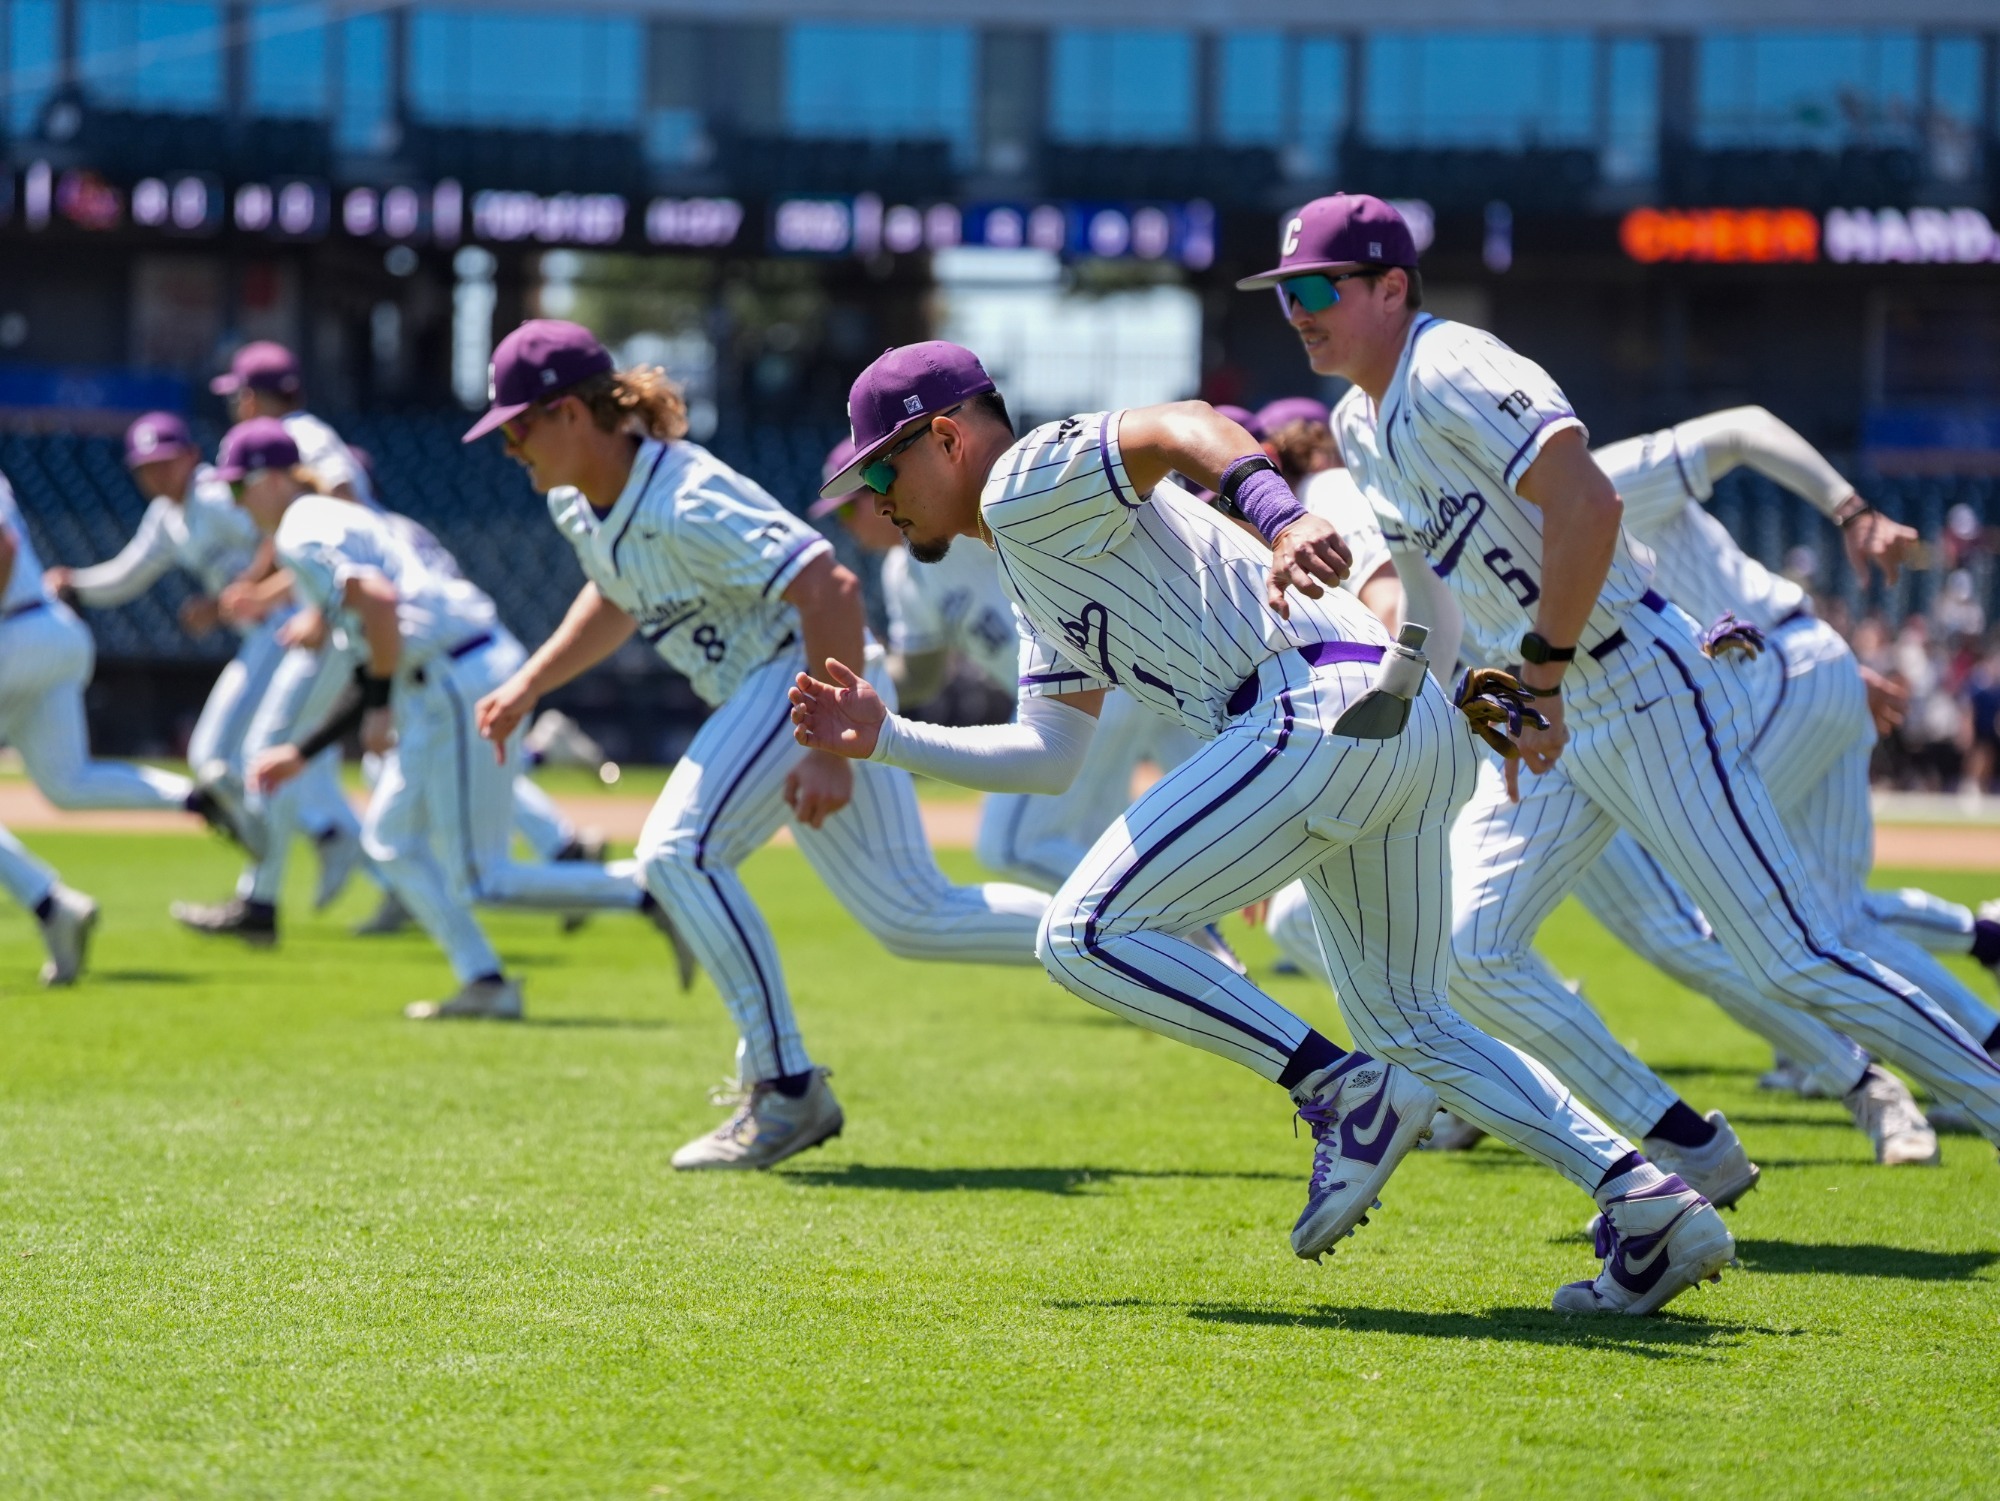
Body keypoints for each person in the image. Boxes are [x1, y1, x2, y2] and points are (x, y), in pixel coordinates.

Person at [793, 338, 1737, 1316]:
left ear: (944, 437)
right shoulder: (1029, 559)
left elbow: (1181, 424)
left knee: (1079, 934)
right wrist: (888, 736)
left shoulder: (1018, 481)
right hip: (1391, 714)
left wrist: (1279, 515)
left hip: (1312, 704)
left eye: (879, 465)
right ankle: (1646, 1201)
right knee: (1409, 1022)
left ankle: (1335, 1089)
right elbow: (1049, 754)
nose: (874, 491)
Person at [1246, 192, 2000, 1169]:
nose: (1297, 310)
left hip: (1635, 681)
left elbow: (1588, 501)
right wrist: (1406, 698)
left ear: (1391, 286)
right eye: (1282, 295)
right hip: (1550, 708)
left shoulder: (1454, 365)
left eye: (1315, 287)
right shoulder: (1357, 421)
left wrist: (1542, 678)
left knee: (1789, 952)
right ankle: (1683, 1148)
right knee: (1470, 949)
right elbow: (1430, 598)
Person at [1267, 409, 1941, 1168]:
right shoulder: (1405, 481)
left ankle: (1863, 1082)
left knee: (1683, 933)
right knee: (1429, 937)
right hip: (1506, 729)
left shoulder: (1332, 490)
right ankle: (1499, 1077)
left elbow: (1398, 605)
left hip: (1542, 724)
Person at [464, 321, 1050, 1172]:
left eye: (517, 424)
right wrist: (530, 683)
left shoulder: (683, 493)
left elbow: (831, 586)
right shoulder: (575, 501)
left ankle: (785, 1090)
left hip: (802, 677)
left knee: (677, 852)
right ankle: (1117, 929)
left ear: (568, 414)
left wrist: (830, 750)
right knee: (914, 914)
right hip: (797, 690)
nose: (509, 444)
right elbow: (617, 596)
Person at [216, 417, 672, 1018]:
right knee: (388, 842)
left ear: (273, 479)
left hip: (452, 679)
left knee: (482, 879)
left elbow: (377, 604)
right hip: (446, 672)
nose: (236, 502)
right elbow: (375, 640)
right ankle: (485, 980)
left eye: (238, 487)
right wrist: (306, 750)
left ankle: (649, 892)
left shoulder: (303, 526)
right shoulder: (349, 516)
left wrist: (377, 708)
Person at [811, 438, 1213, 903]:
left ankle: (1165, 921)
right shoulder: (905, 573)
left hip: (1098, 678)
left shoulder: (968, 516)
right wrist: (856, 676)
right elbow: (921, 676)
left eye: (847, 510)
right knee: (1104, 843)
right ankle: (1189, 935)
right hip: (1089, 700)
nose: (857, 523)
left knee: (1010, 846)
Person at [45, 413, 365, 940]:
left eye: (165, 461)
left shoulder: (217, 494)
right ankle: (307, 850)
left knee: (229, 755)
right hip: (269, 632)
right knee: (246, 761)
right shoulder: (166, 517)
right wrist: (77, 585)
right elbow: (130, 572)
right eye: (145, 467)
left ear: (191, 456)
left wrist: (236, 595)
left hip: (292, 623)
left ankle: (290, 864)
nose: (156, 474)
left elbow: (276, 533)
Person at [0, 469, 258, 845]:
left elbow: (4, 547)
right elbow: (125, 574)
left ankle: (44, 897)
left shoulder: (210, 498)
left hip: (19, 630)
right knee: (67, 784)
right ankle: (196, 800)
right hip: (53, 631)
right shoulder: (165, 515)